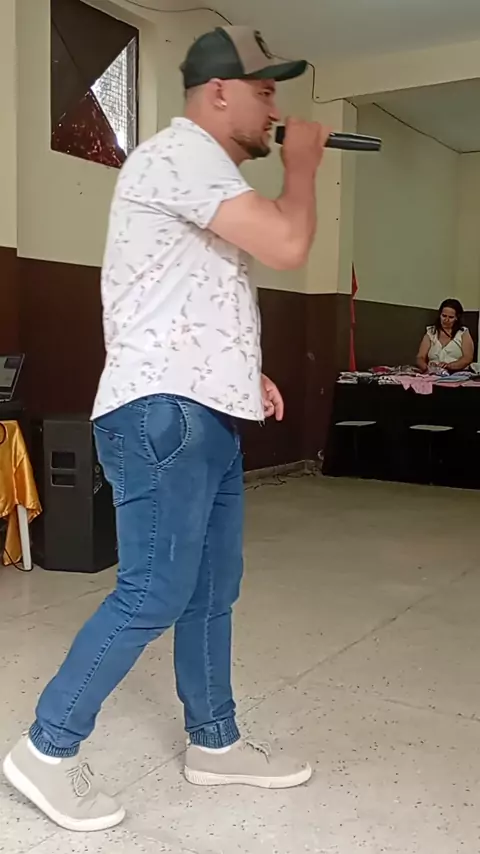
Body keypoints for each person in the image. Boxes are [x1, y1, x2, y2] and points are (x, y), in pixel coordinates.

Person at [3, 26, 330, 832]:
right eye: (264, 91)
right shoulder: (183, 154)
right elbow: (289, 243)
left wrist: (241, 371)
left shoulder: (203, 174)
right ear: (219, 91)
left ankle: (215, 742)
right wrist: (302, 167)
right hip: (163, 414)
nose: (275, 109)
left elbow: (186, 293)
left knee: (213, 590)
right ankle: (46, 749)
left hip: (200, 409)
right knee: (154, 590)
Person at [416, 298, 474, 373]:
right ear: (440, 315)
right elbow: (420, 357)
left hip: (457, 373)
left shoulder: (463, 333)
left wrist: (449, 366)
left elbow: (467, 358)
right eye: (444, 316)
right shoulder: (431, 332)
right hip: (432, 373)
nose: (446, 320)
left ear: (457, 318)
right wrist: (426, 368)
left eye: (451, 317)